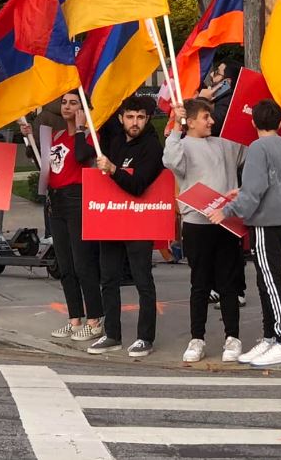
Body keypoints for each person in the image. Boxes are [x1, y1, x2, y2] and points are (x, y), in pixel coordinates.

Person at [207, 99, 281, 367]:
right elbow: (273, 184)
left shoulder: (258, 148)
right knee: (268, 281)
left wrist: (227, 210)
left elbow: (255, 190)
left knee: (269, 282)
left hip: (265, 223)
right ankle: (271, 337)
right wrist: (245, 191)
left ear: (253, 122)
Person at [164, 98, 246, 363]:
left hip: (226, 222)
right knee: (199, 283)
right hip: (197, 223)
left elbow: (248, 146)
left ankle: (232, 337)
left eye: (210, 116)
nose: (211, 121)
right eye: (204, 117)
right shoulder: (182, 146)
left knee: (229, 283)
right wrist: (176, 127)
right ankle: (197, 338)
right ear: (190, 121)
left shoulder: (224, 144)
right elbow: (170, 160)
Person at [21, 92, 104, 343]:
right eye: (65, 102)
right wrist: (29, 140)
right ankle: (74, 318)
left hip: (76, 199)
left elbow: (81, 156)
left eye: (73, 103)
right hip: (55, 201)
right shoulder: (56, 135)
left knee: (83, 263)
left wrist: (79, 129)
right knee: (65, 265)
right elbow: (46, 166)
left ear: (84, 109)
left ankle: (94, 319)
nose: (67, 106)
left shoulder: (90, 136)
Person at [90, 95, 165, 357]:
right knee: (108, 278)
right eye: (130, 117)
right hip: (112, 219)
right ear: (121, 118)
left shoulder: (152, 147)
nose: (135, 122)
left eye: (140, 117)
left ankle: (145, 337)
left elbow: (138, 185)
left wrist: (112, 169)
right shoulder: (116, 142)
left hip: (140, 221)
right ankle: (112, 334)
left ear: (147, 119)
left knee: (142, 279)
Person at [199, 59, 240, 135]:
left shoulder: (228, 102)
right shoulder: (219, 99)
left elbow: (206, 126)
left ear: (227, 82)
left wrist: (202, 99)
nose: (211, 74)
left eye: (217, 72)